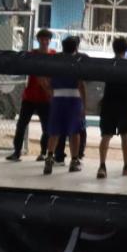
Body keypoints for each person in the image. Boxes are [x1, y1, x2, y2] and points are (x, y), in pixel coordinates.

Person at [6, 26, 55, 162]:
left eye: (47, 39)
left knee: (46, 127)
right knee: (21, 124)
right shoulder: (32, 55)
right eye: (42, 39)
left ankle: (43, 152)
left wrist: (49, 90)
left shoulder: (54, 56)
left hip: (45, 98)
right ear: (38, 40)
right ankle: (17, 152)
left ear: (50, 41)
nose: (44, 41)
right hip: (30, 96)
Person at [42, 34, 87, 175]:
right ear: (76, 47)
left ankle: (49, 158)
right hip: (73, 98)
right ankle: (74, 160)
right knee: (74, 132)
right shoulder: (78, 61)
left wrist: (50, 91)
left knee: (54, 131)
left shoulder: (55, 59)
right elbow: (81, 84)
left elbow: (45, 78)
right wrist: (84, 104)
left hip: (58, 97)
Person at [97, 36, 127, 178]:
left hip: (109, 104)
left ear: (113, 48)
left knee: (106, 136)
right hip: (125, 105)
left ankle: (102, 166)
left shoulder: (108, 65)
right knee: (125, 136)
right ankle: (126, 166)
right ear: (126, 49)